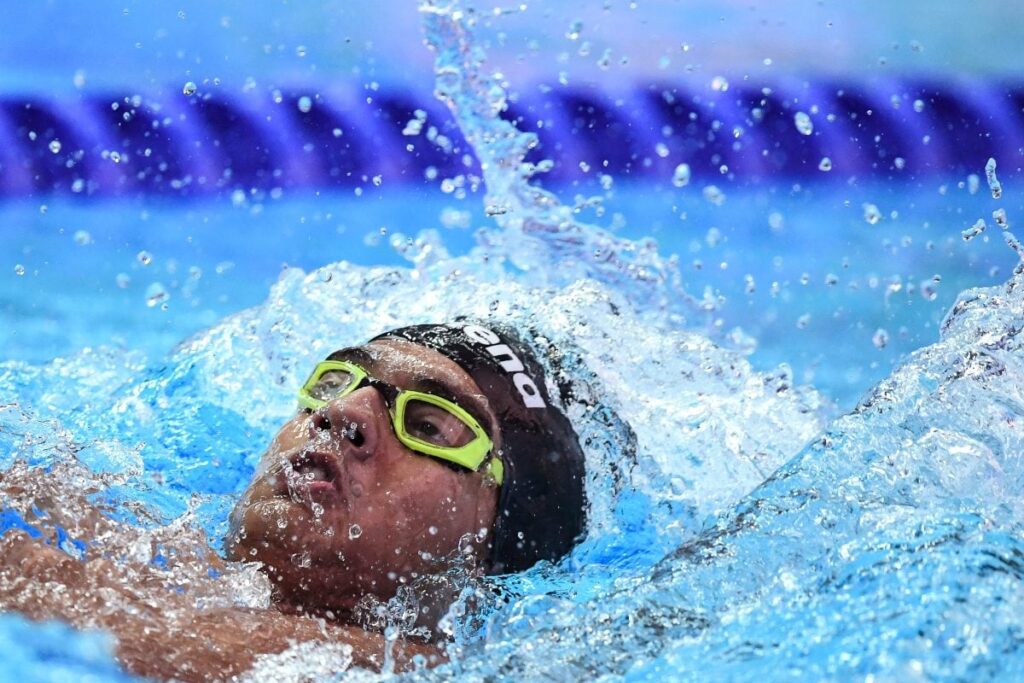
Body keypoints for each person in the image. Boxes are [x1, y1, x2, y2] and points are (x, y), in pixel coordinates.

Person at [0, 321, 589, 681]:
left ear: (493, 539)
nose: (341, 411)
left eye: (429, 425)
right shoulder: (132, 537)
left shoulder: (418, 673)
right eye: (337, 381)